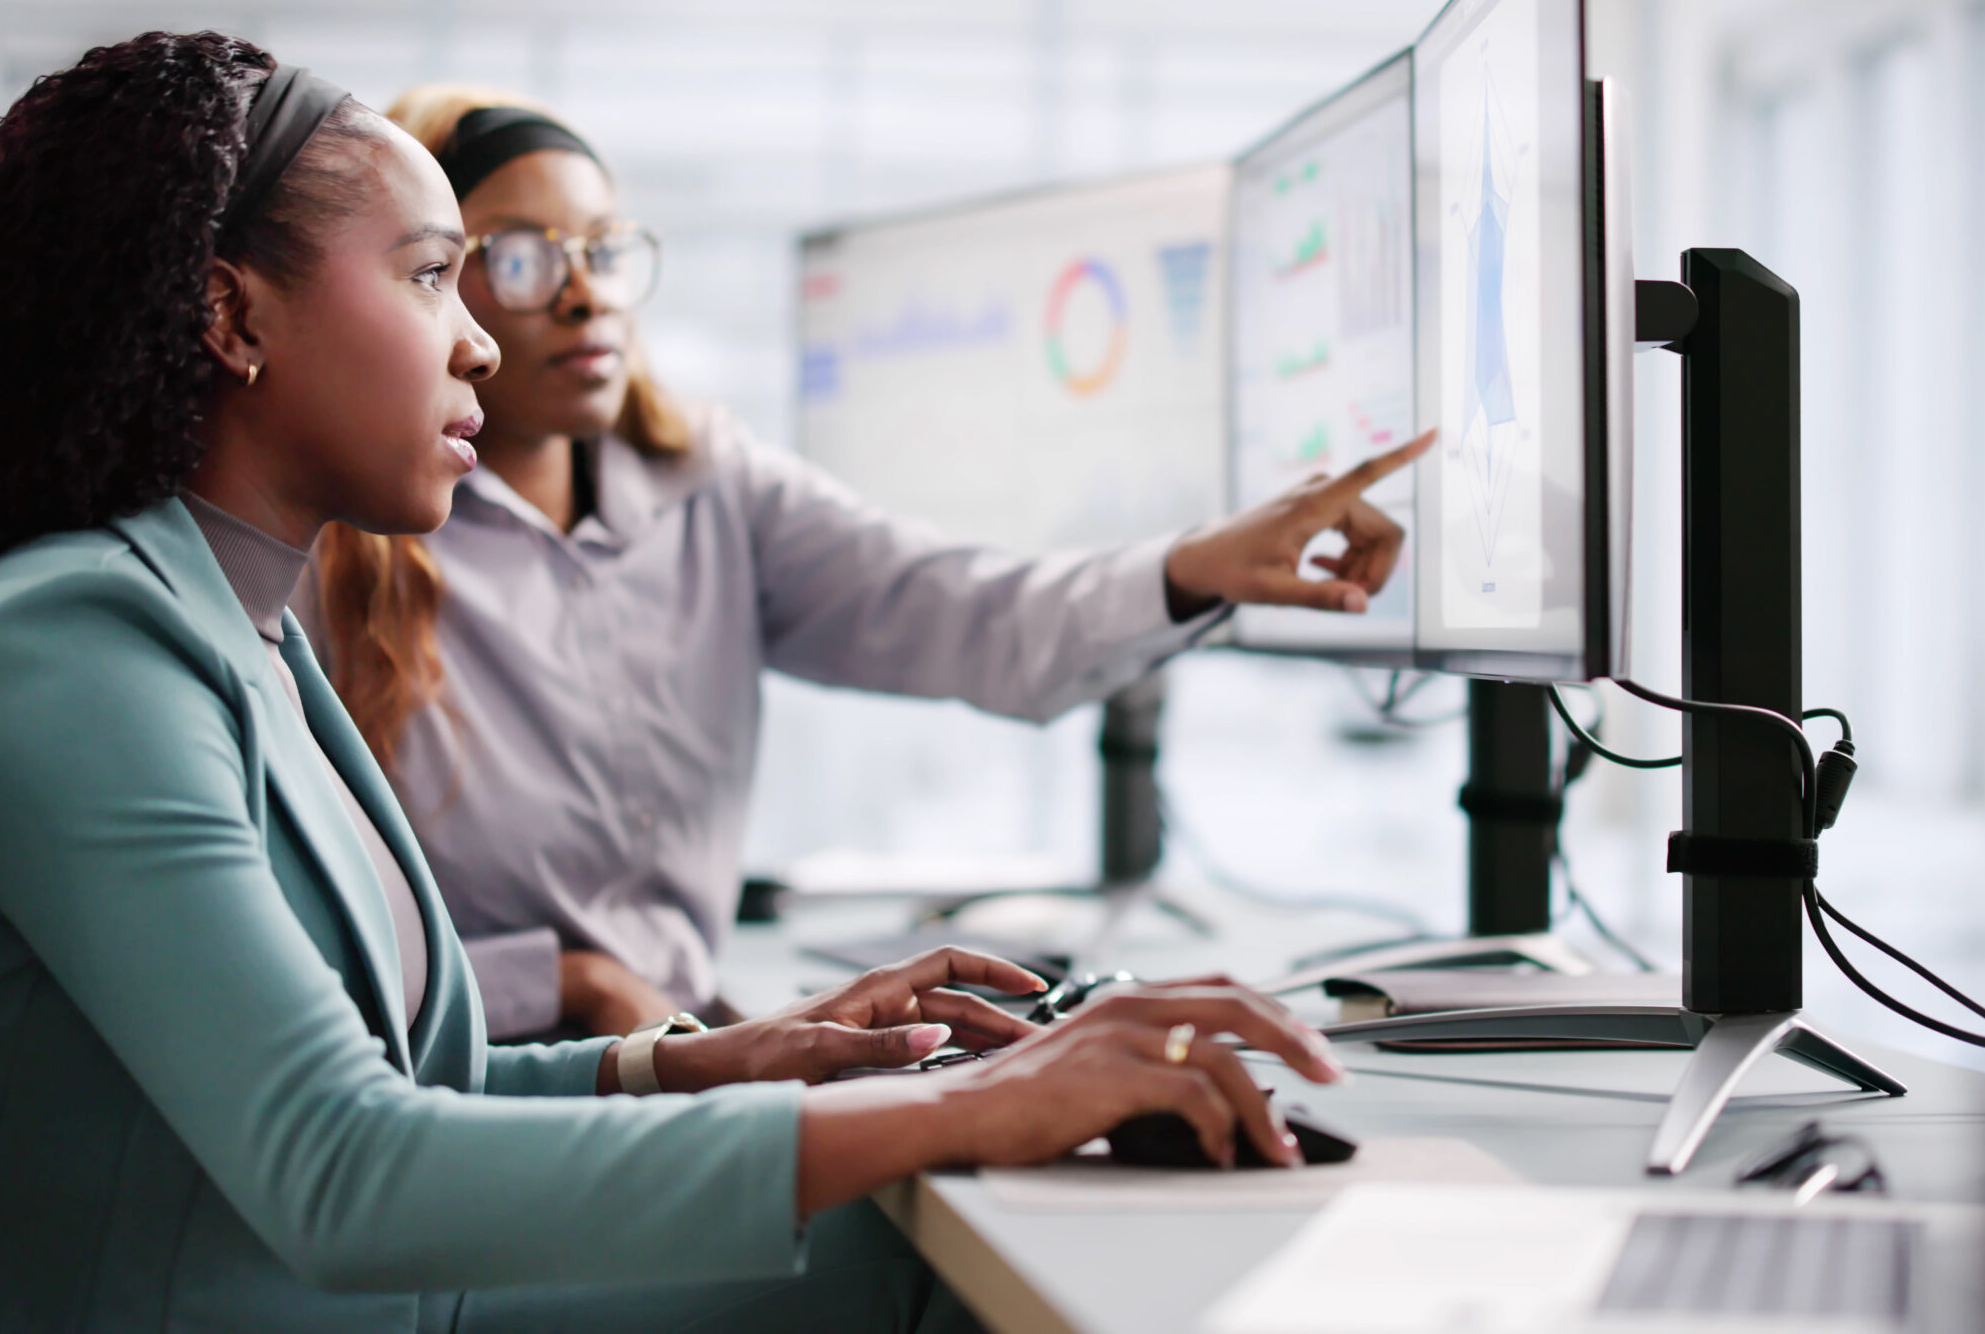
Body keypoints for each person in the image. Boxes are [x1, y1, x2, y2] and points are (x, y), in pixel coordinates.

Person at [0, 30, 1349, 1331]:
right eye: (435, 279)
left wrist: (715, 1057)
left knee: (949, 1212)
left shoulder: (229, 626)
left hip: (281, 1285)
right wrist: (969, 1103)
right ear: (232, 315)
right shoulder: (68, 655)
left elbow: (429, 1078)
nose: (481, 342)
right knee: (931, 1247)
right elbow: (346, 1170)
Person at [304, 83, 1433, 1038]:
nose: (585, 291)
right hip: (487, 1082)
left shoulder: (710, 485)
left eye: (603, 249)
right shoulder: (339, 544)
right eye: (517, 256)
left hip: (690, 1057)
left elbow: (969, 613)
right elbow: (292, 937)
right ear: (433, 288)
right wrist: (562, 981)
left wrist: (1199, 565)